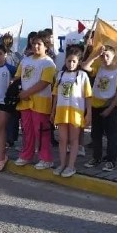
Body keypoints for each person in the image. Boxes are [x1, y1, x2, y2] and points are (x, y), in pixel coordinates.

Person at [14, 33, 57, 170]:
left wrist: (26, 92)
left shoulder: (48, 63)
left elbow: (45, 82)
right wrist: (18, 91)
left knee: (42, 131)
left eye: (39, 44)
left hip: (41, 103)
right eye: (34, 43)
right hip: (25, 102)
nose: (36, 46)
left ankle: (46, 158)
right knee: (27, 130)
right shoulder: (25, 60)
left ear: (46, 46)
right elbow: (17, 77)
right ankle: (26, 155)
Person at [81, 45, 117, 171]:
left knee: (111, 136)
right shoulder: (98, 68)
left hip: (109, 107)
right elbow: (84, 66)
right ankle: (96, 157)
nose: (105, 58)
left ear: (113, 57)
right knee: (96, 135)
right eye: (103, 56)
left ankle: (111, 160)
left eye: (108, 56)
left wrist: (109, 109)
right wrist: (95, 55)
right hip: (96, 106)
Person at [51, 47, 92, 177]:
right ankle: (62, 164)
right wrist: (52, 111)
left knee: (74, 140)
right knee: (63, 139)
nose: (71, 64)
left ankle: (71, 165)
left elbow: (88, 96)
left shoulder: (83, 76)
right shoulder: (60, 75)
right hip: (61, 111)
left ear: (79, 62)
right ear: (65, 60)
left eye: (74, 61)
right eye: (69, 61)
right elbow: (56, 95)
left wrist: (89, 113)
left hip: (76, 111)